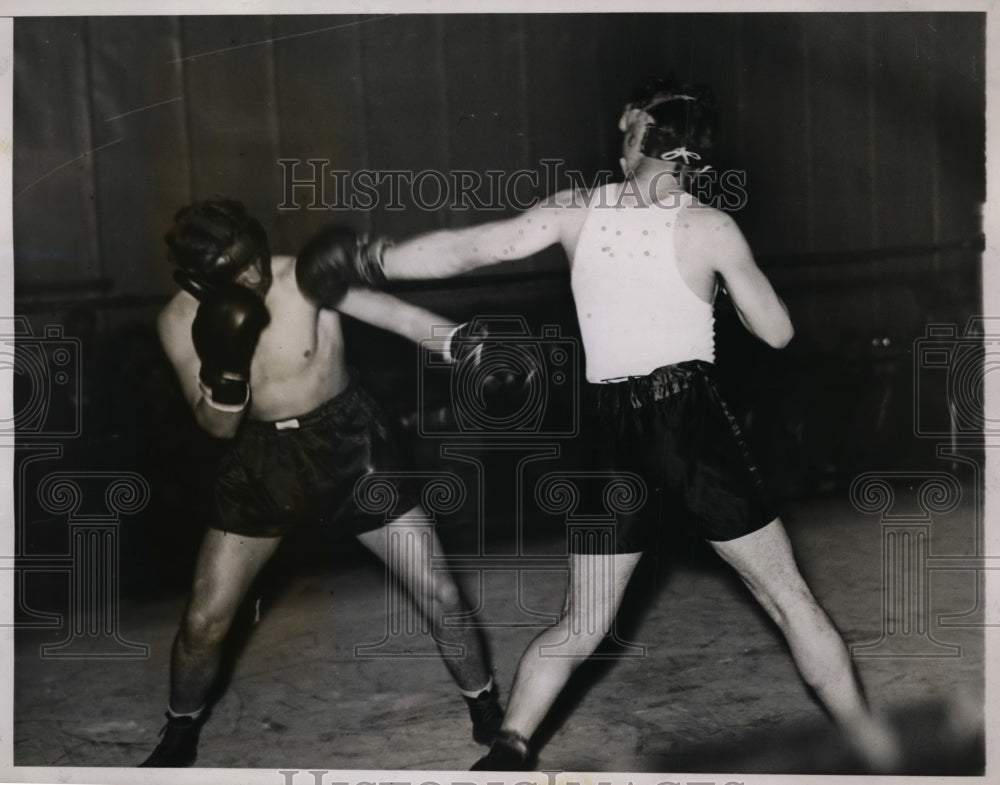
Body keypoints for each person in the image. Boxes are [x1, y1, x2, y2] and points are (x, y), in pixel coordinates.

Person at [350, 80, 901, 773]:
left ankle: (509, 747)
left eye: (627, 129)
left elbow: (473, 249)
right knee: (787, 597)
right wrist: (722, 275)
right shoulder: (709, 227)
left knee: (581, 622)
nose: (617, 140)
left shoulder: (577, 211)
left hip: (610, 431)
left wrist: (373, 259)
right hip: (688, 422)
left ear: (645, 134)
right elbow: (779, 332)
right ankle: (874, 748)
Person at [140, 199, 502, 767]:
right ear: (197, 280)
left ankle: (485, 707)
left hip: (350, 444)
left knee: (439, 592)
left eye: (255, 259)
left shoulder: (301, 277)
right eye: (236, 274)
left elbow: (399, 318)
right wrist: (226, 372)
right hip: (258, 460)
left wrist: (464, 344)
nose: (255, 277)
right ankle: (180, 730)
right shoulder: (177, 322)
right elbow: (216, 426)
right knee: (205, 620)